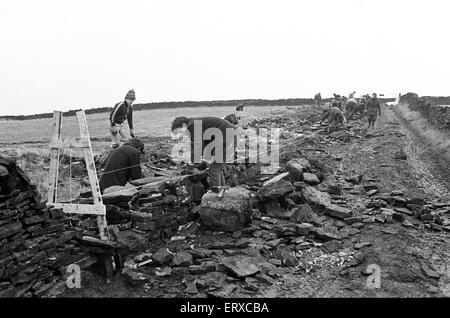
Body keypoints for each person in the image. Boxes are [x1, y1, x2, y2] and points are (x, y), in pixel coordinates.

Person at [171, 116, 236, 188]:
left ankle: (217, 194)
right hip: (229, 135)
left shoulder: (192, 125)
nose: (183, 134)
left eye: (180, 131)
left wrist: (194, 162)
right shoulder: (195, 122)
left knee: (214, 168)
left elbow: (198, 145)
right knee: (217, 167)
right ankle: (222, 191)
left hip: (228, 136)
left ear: (184, 125)